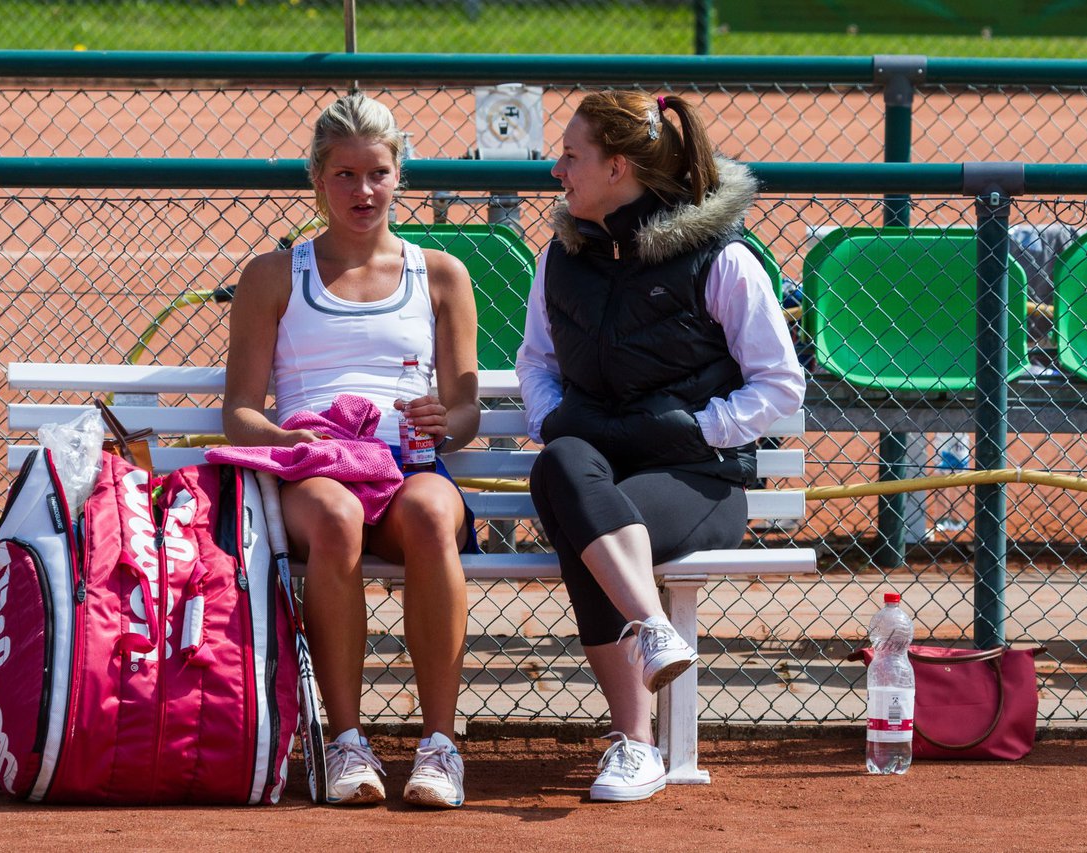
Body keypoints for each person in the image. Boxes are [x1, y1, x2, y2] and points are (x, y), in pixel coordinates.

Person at [516, 91, 805, 803]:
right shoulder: (561, 257)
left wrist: (698, 427)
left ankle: (635, 743)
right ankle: (653, 632)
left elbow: (780, 386)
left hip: (697, 480)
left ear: (616, 167)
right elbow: (534, 363)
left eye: (571, 155)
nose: (557, 169)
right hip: (597, 468)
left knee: (596, 533)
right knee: (563, 466)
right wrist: (557, 418)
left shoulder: (723, 260)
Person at [222, 94, 480, 809]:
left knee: (432, 515)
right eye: (344, 174)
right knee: (335, 518)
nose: (362, 192)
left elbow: (465, 412)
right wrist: (283, 436)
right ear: (316, 178)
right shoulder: (274, 275)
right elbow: (239, 411)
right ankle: (345, 742)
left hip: (407, 468)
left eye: (378, 173)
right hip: (317, 471)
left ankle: (438, 746)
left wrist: (444, 420)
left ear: (400, 176)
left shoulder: (442, 274)